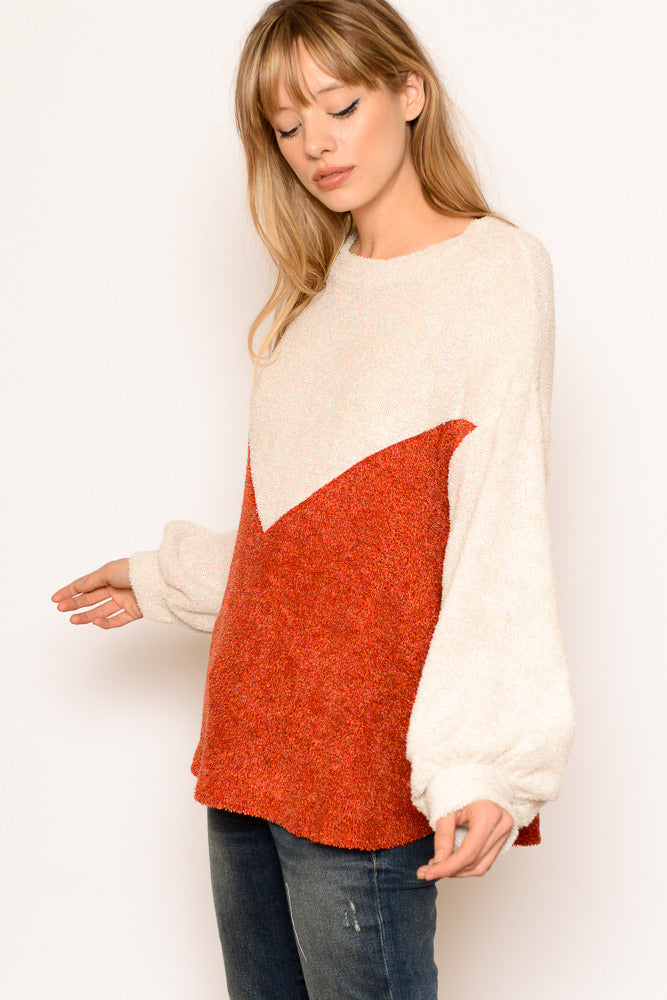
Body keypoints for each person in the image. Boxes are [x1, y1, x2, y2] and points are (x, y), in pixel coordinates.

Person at [51, 1, 576, 997]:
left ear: (408, 91)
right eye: (287, 127)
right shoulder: (311, 292)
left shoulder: (495, 272)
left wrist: (484, 764)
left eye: (339, 107)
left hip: (361, 757)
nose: (316, 146)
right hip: (251, 737)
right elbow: (305, 541)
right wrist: (164, 578)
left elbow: (497, 533)